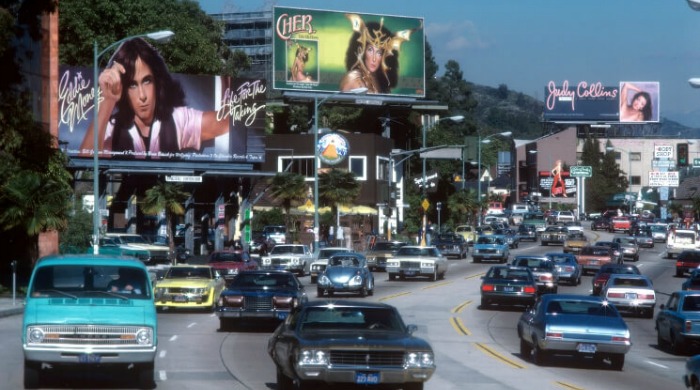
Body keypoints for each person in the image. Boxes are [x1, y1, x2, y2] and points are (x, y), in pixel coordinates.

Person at [79, 37, 231, 159]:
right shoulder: (114, 128)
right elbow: (85, 158)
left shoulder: (177, 119)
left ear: (157, 82)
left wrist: (227, 80)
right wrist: (108, 100)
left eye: (147, 81)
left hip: (169, 194)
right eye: (132, 85)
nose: (142, 96)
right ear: (124, 89)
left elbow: (227, 122)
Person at [339, 14, 421, 94]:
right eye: (370, 50)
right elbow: (342, 104)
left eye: (379, 52)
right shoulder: (353, 78)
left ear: (384, 56)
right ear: (362, 51)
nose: (374, 59)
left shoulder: (380, 81)